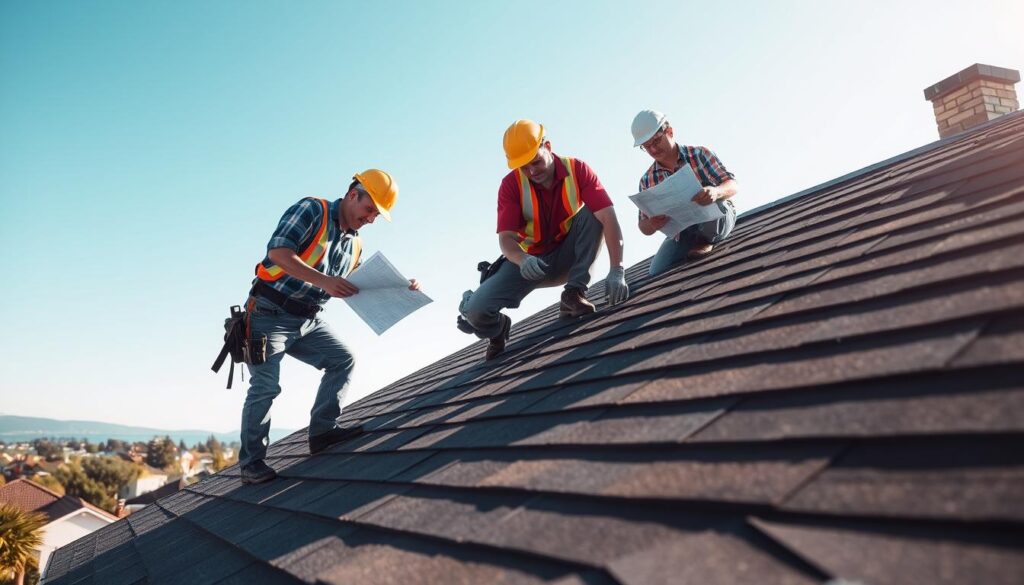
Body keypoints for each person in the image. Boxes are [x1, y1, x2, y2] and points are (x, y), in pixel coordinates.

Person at [238, 169, 419, 484]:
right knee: (266, 387)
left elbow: (358, 283)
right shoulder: (312, 210)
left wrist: (402, 286)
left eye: (377, 214)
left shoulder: (355, 245)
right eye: (369, 209)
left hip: (307, 320)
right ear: (353, 195)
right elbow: (278, 253)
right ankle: (251, 464)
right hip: (269, 314)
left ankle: (322, 433)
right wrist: (325, 281)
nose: (372, 219)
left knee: (342, 359)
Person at [460, 119, 629, 360]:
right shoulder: (511, 186)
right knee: (476, 311)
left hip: (567, 256)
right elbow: (506, 238)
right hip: (529, 264)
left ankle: (574, 294)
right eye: (524, 167)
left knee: (595, 212)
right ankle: (498, 330)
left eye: (536, 162)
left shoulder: (577, 169)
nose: (531, 172)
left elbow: (609, 219)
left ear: (547, 145)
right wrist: (522, 259)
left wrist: (617, 269)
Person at [631, 109, 739, 276]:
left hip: (716, 217)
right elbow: (643, 226)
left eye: (656, 141)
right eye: (646, 147)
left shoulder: (699, 154)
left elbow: (733, 185)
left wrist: (716, 192)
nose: (653, 150)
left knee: (719, 205)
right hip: (683, 233)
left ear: (670, 132)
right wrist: (653, 224)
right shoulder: (646, 180)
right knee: (656, 271)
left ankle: (706, 241)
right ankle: (697, 242)